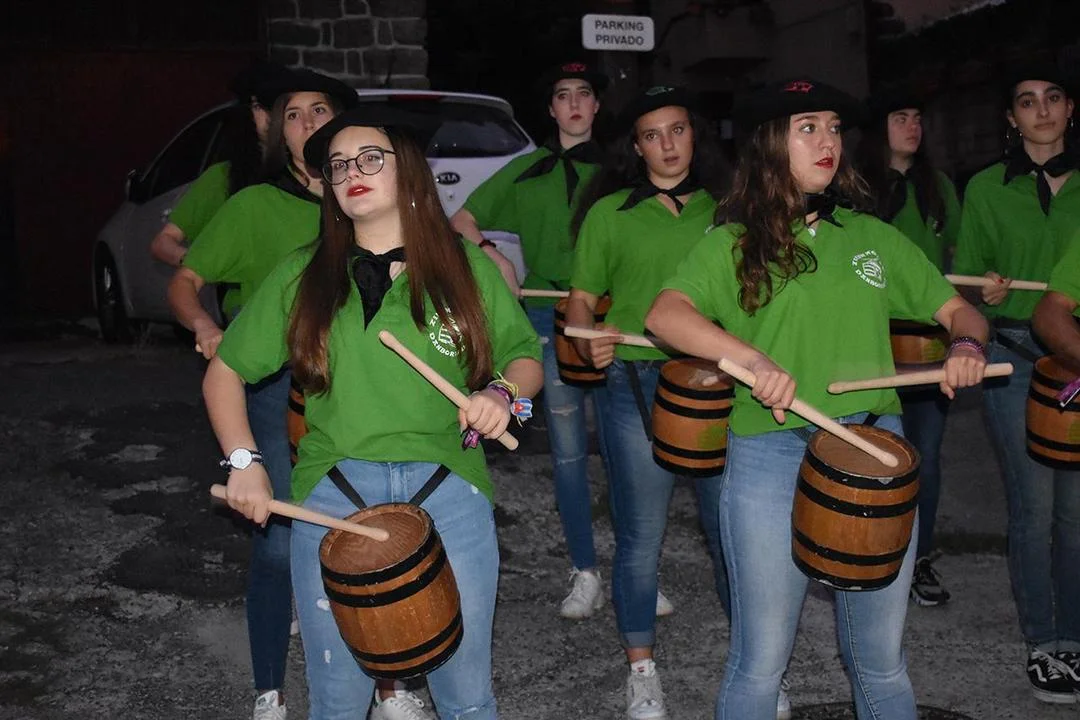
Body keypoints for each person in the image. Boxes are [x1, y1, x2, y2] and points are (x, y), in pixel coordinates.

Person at [644, 78, 987, 720]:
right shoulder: (731, 243)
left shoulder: (871, 236)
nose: (827, 140)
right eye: (807, 128)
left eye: (832, 127)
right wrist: (750, 360)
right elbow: (665, 316)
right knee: (761, 661)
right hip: (771, 454)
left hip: (874, 453)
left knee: (882, 661)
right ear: (771, 145)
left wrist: (966, 346)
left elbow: (957, 311)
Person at [204, 106, 542, 720]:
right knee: (337, 702)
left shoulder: (466, 268)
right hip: (333, 496)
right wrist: (244, 462)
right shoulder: (302, 275)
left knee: (467, 699)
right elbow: (224, 372)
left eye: (369, 159)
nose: (351, 173)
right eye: (338, 166)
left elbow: (524, 359)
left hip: (449, 489)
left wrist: (501, 397)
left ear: (406, 169)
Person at [167, 66, 356, 720]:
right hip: (275, 384)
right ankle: (269, 690)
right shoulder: (253, 205)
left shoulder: (365, 199)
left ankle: (390, 686)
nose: (306, 124)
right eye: (292, 114)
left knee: (369, 526)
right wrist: (204, 326)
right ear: (278, 131)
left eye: (319, 110)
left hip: (359, 384)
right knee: (277, 538)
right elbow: (184, 279)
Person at [566, 85, 730, 720]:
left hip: (719, 386)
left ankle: (757, 663)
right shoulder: (610, 213)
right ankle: (641, 670)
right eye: (652, 134)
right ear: (636, 147)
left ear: (695, 135)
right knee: (641, 535)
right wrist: (587, 345)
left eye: (678, 130)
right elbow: (581, 300)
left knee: (729, 532)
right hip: (633, 385)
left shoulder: (730, 209)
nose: (667, 144)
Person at [450, 60, 618, 618]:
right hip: (549, 318)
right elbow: (461, 219)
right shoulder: (526, 170)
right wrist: (494, 257)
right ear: (551, 108)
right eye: (563, 95)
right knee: (568, 454)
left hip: (614, 320)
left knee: (626, 451)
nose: (574, 105)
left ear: (596, 105)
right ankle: (585, 571)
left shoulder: (622, 168)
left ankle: (636, 569)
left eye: (583, 94)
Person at [952, 63, 1080, 703]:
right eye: (1027, 102)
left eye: (1052, 98)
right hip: (1014, 356)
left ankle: (1075, 636)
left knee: (1075, 511)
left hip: (1076, 356)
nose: (1042, 110)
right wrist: (987, 289)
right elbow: (967, 283)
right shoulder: (985, 188)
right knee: (1032, 508)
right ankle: (1044, 641)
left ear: (1070, 108)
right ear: (1011, 118)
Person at [856, 91, 962, 606]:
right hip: (869, 343)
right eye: (900, 118)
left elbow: (956, 255)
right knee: (870, 452)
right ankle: (865, 552)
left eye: (918, 118)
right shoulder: (854, 187)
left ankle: (918, 558)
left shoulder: (938, 186)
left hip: (929, 345)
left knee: (927, 456)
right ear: (880, 127)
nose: (912, 127)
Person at [149, 61, 289, 269]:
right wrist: (205, 266)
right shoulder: (223, 177)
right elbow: (163, 243)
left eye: (276, 105)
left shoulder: (312, 173)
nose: (269, 117)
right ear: (246, 112)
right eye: (258, 106)